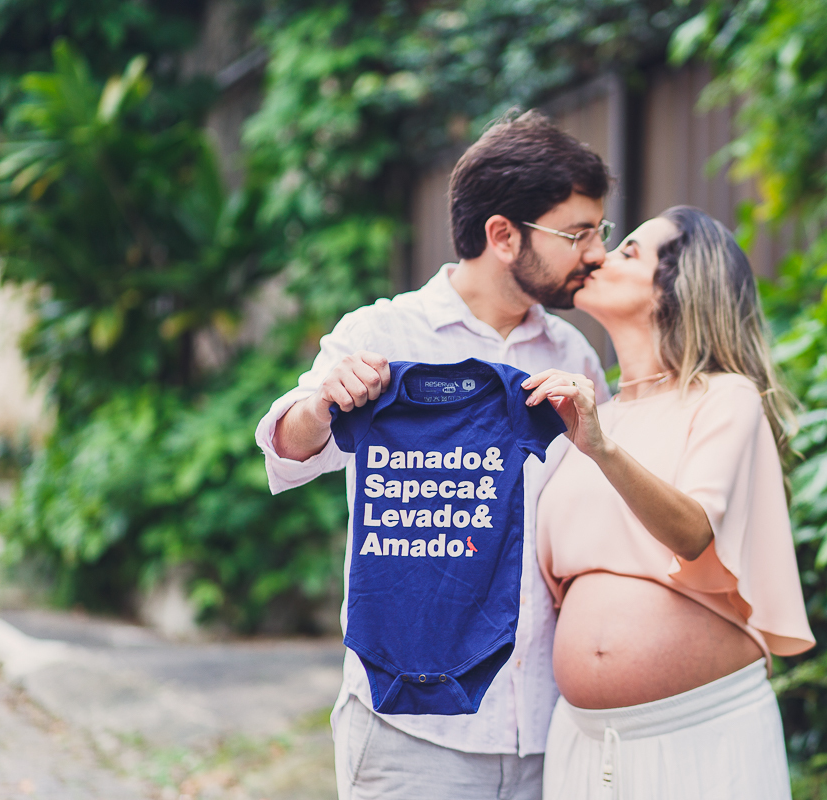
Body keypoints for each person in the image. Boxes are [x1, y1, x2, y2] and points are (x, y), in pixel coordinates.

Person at [254, 109, 613, 800]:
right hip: (412, 733)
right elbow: (289, 452)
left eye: (600, 231)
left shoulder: (573, 354)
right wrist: (324, 401)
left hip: (547, 726)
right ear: (503, 236)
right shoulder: (384, 332)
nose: (596, 253)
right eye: (578, 233)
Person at [524, 206, 816, 800]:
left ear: (677, 288)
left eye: (628, 250)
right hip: (580, 737)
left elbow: (693, 532)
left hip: (702, 736)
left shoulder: (725, 397)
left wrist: (602, 450)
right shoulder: (592, 414)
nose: (599, 256)